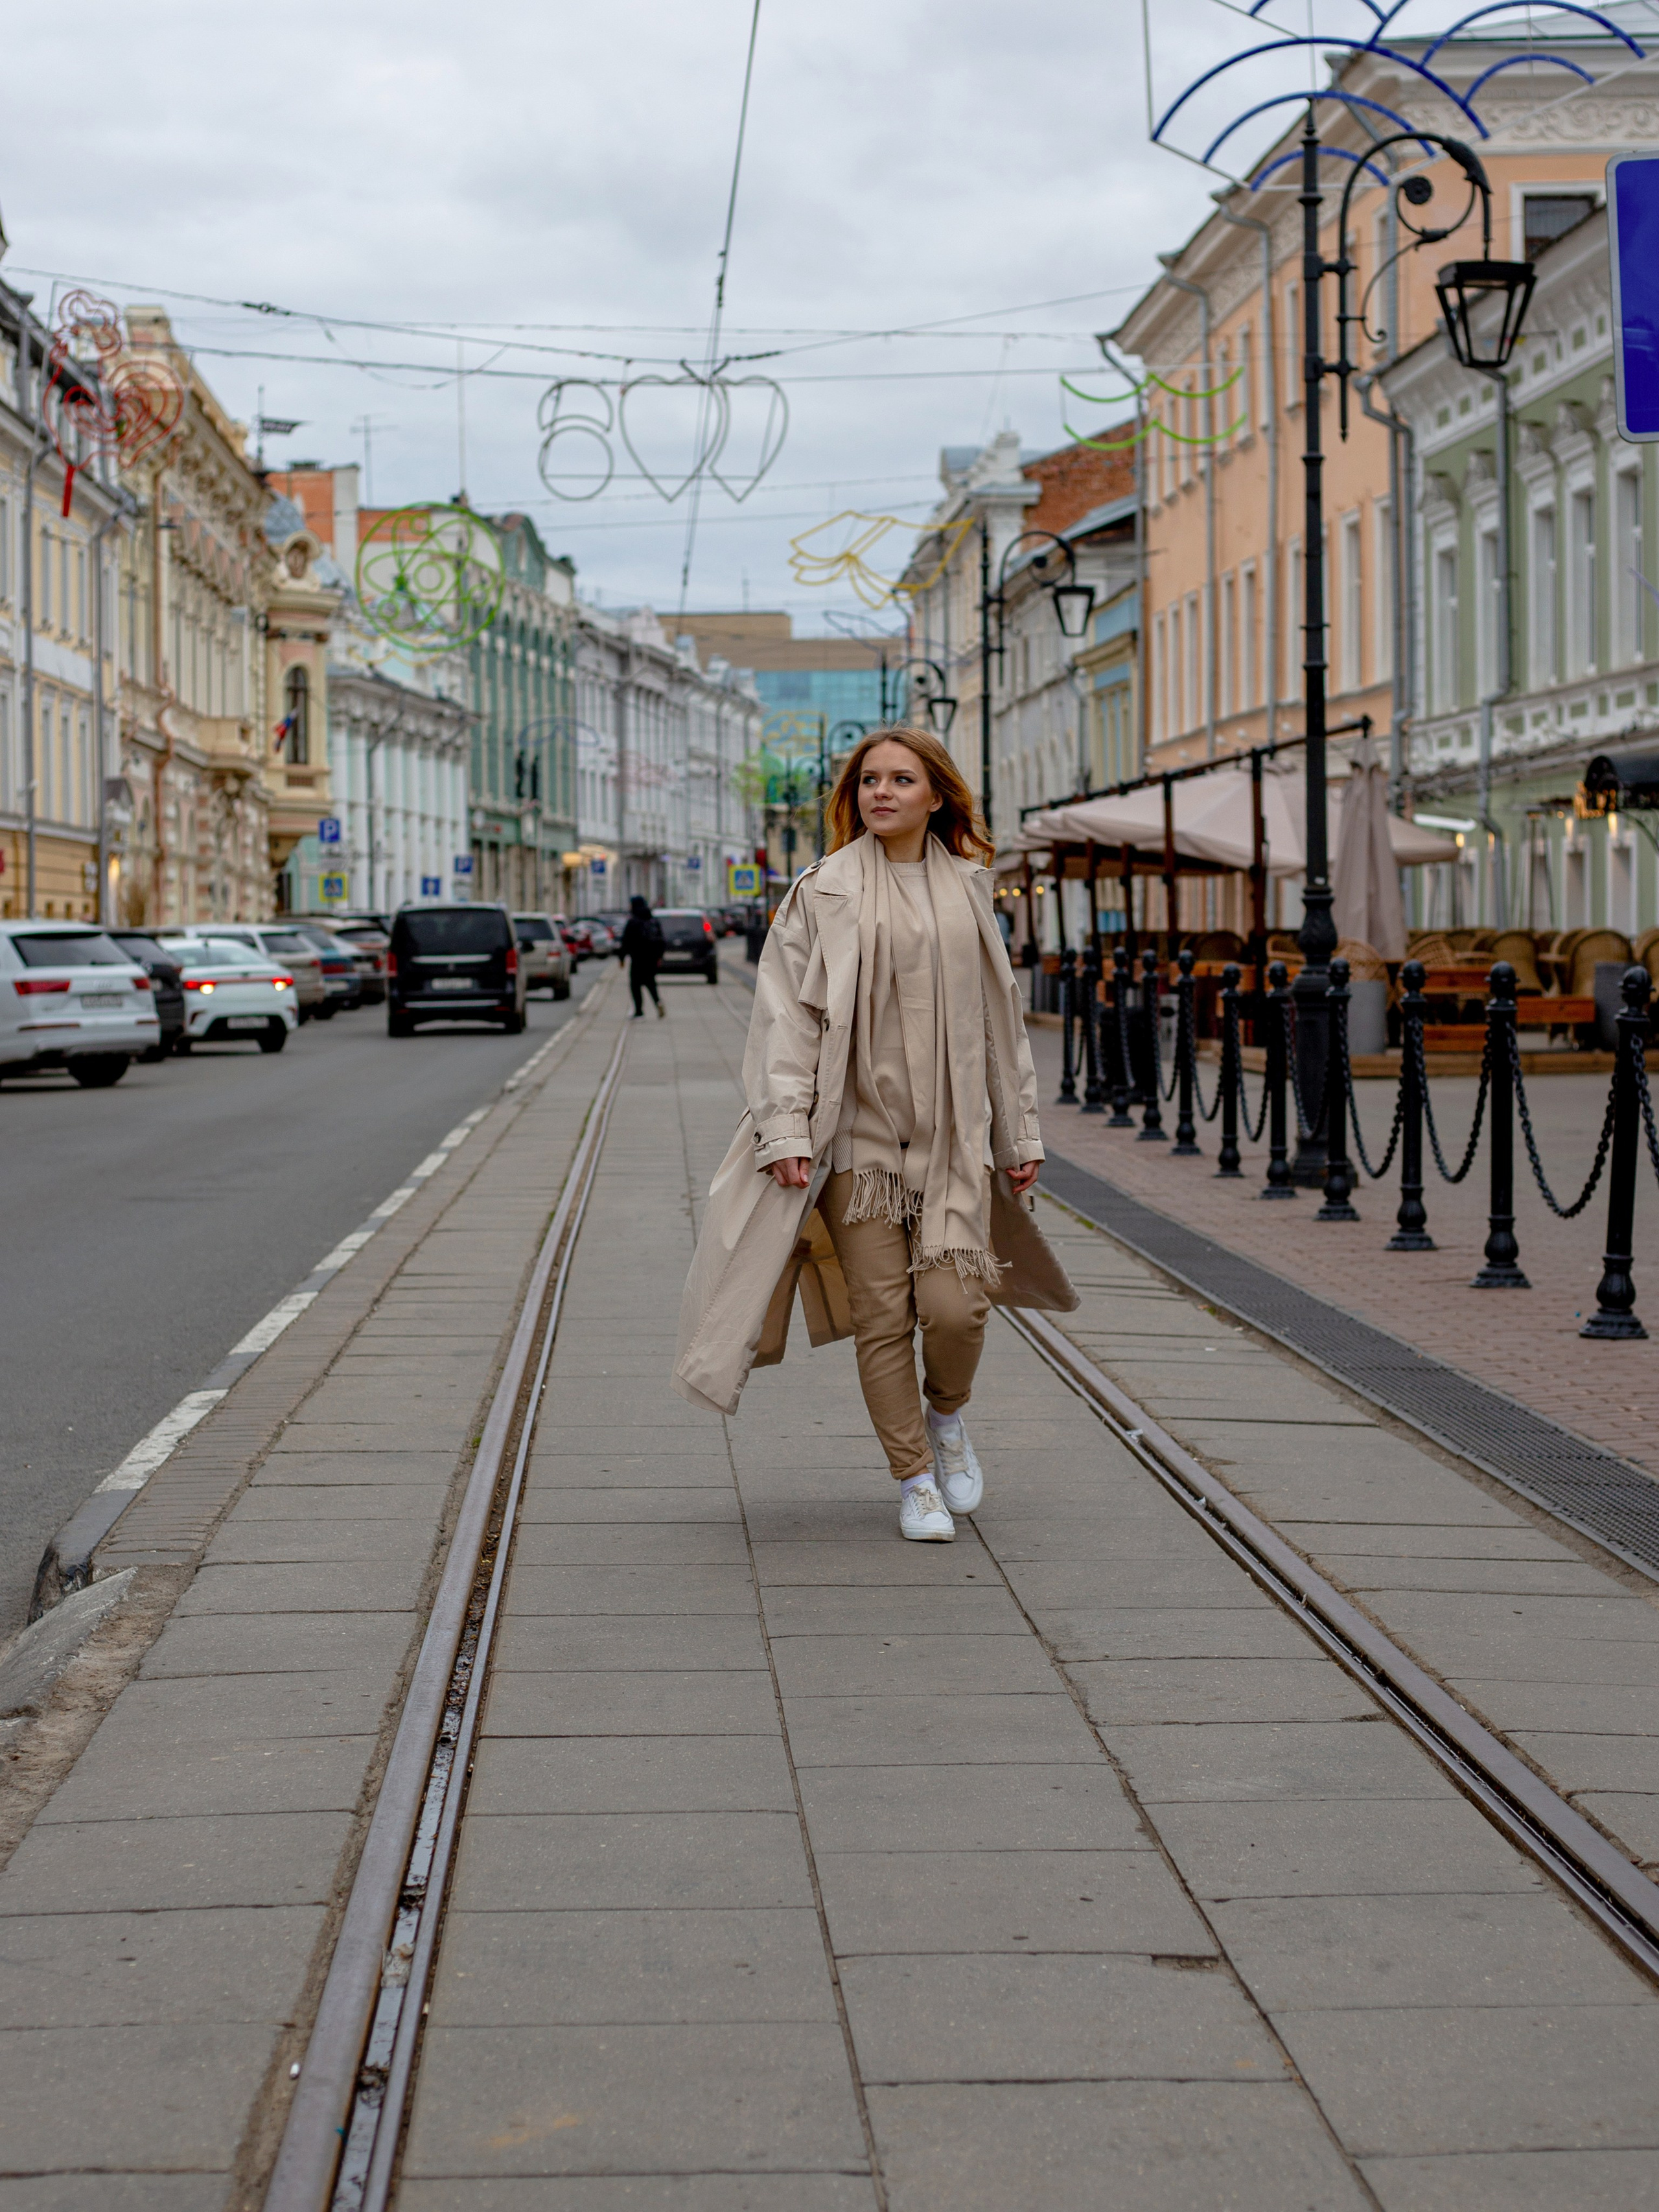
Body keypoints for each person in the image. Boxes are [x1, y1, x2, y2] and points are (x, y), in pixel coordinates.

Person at [673, 725, 1076, 1542]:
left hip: (954, 1143)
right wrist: (784, 1130)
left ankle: (946, 1414)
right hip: (856, 1145)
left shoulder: (969, 887)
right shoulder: (820, 891)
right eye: (868, 781)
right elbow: (784, 1020)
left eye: (900, 779)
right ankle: (914, 1477)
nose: (881, 792)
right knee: (883, 1314)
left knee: (957, 1310)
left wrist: (1018, 1132)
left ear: (937, 795)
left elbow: (1000, 1022)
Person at [619, 894, 665, 1019]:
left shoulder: (633, 922)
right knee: (650, 982)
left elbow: (625, 941)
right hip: (652, 959)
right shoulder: (653, 921)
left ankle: (639, 1010)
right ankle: (658, 1002)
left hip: (637, 959)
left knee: (635, 984)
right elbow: (661, 940)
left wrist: (622, 958)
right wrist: (660, 957)